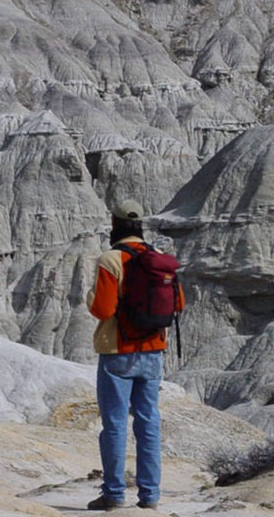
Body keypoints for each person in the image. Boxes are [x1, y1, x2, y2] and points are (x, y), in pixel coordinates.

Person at [85, 199, 183, 510]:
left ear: (115, 225)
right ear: (140, 226)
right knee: (148, 423)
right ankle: (150, 498)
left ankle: (114, 495)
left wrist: (90, 296)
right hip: (154, 351)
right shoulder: (159, 259)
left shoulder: (111, 259)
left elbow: (102, 309)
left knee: (114, 423)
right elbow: (177, 304)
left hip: (118, 352)